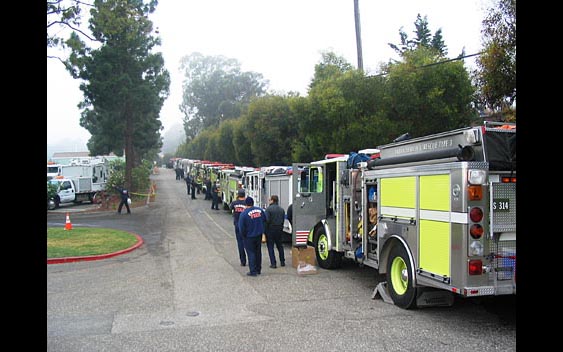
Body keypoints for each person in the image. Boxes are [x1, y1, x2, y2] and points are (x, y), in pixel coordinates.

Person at [238, 196, 266, 276]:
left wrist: (243, 236)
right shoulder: (260, 210)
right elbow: (265, 220)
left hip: (249, 236)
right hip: (258, 234)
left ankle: (253, 271)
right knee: (258, 252)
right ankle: (258, 269)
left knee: (251, 253)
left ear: (246, 204)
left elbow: (241, 227)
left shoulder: (244, 214)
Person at [264, 195, 286, 268]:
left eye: (270, 199)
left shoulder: (268, 209)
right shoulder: (282, 209)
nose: (269, 201)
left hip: (270, 229)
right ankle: (282, 261)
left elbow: (267, 220)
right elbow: (283, 220)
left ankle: (273, 263)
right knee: (280, 246)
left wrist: (264, 230)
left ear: (272, 200)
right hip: (279, 229)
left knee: (270, 247)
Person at [229, 188, 248, 266]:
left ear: (238, 195)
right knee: (248, 243)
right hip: (246, 225)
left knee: (240, 243)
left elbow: (230, 208)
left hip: (237, 224)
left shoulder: (234, 203)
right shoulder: (246, 203)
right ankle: (251, 259)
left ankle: (243, 261)